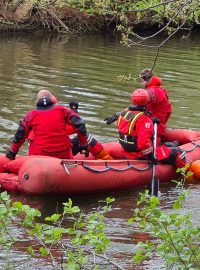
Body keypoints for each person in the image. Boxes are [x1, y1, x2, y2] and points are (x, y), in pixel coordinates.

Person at [105, 88, 186, 169]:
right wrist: (152, 156)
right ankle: (184, 177)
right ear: (147, 101)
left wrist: (151, 120)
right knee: (178, 152)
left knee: (166, 145)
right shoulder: (144, 120)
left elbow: (134, 126)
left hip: (126, 151)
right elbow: (143, 143)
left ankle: (167, 146)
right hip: (141, 155)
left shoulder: (123, 113)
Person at [6, 89, 88, 160]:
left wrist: (12, 151)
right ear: (53, 100)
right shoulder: (63, 111)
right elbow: (79, 124)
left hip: (39, 156)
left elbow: (20, 135)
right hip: (64, 155)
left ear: (37, 102)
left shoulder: (31, 116)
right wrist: (83, 144)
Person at [139, 68, 172, 144]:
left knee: (153, 146)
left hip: (155, 124)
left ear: (144, 80)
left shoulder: (150, 92)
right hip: (160, 122)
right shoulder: (161, 89)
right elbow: (168, 110)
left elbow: (137, 105)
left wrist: (119, 114)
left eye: (141, 80)